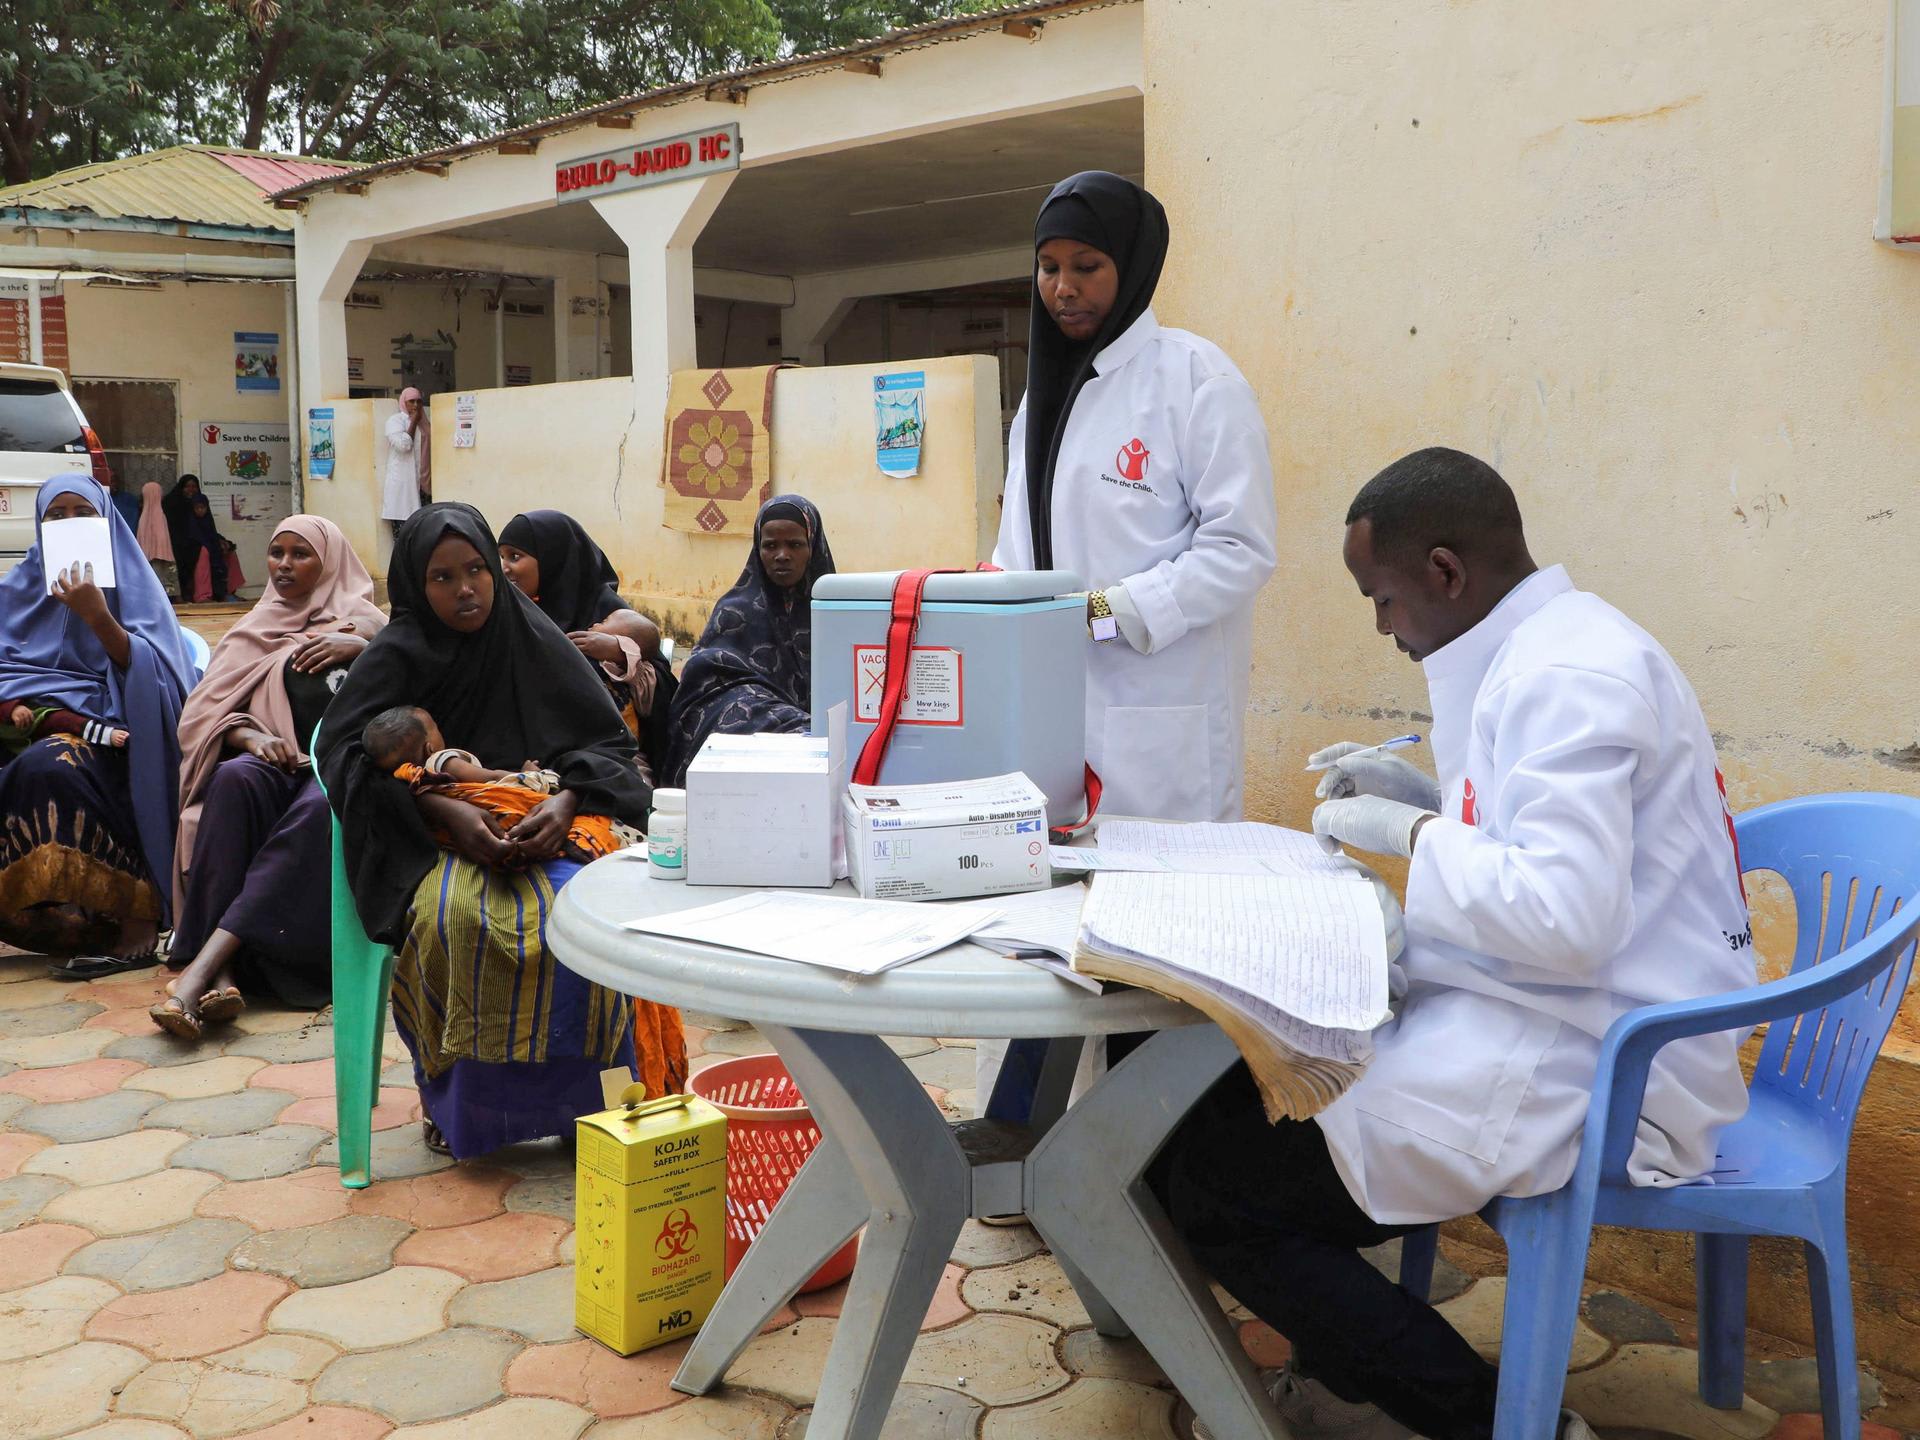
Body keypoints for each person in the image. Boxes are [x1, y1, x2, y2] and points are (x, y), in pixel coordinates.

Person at [1164, 449, 1755, 1440]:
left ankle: (1497, 1422)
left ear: (1445, 571)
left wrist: (1420, 838)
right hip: (1542, 1010)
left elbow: (1564, 918)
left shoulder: (1571, 676)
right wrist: (1430, 805)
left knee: (1217, 1189)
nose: (1383, 627)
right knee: (1205, 1111)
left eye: (1384, 599)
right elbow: (1537, 841)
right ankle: (1347, 1354)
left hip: (1607, 1058)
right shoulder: (1538, 649)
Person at [317, 502, 685, 1158]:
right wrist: (445, 810)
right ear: (414, 586)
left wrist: (566, 802)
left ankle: (590, 1104)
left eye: (477, 570)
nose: (464, 589)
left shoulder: (532, 638)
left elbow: (606, 745)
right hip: (430, 839)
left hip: (551, 821)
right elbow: (345, 756)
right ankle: (468, 1109)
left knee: (591, 921)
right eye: (441, 577)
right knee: (458, 922)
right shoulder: (397, 653)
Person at [992, 171, 1278, 824]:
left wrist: (1116, 610)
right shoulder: (1040, 404)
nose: (1063, 289)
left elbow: (1242, 548)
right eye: (1048, 268)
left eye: (1087, 267)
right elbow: (1014, 551)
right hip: (1053, 712)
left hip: (1161, 723)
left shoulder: (1198, 381)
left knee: (1172, 909)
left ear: (1134, 264)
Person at [157, 517, 385, 1039]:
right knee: (234, 780)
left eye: (300, 554)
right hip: (278, 760)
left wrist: (363, 648)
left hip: (338, 766)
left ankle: (201, 971)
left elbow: (399, 685)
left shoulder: (367, 624)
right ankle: (225, 976)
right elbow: (201, 714)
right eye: (277, 553)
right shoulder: (253, 625)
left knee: (314, 810)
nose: (284, 565)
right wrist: (250, 738)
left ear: (328, 562)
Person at [0, 474, 197, 979]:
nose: (69, 524)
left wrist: (97, 617)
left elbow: (161, 678)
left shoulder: (133, 582)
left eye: (81, 513)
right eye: (55, 515)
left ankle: (134, 910)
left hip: (113, 726)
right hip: (21, 720)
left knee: (53, 764)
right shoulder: (19, 585)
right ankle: (43, 907)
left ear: (106, 518)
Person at [665, 495, 834, 786]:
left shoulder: (836, 614)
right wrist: (785, 720)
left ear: (813, 547)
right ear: (758, 550)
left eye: (795, 544)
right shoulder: (736, 612)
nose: (782, 555)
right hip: (762, 740)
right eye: (770, 546)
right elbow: (707, 684)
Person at [498, 509, 676, 781]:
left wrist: (618, 650)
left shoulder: (609, 617)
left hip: (612, 762)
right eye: (500, 556)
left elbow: (660, 692)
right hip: (532, 761)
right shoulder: (509, 617)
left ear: (552, 559)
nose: (504, 567)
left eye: (515, 556)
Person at [362, 704, 643, 863]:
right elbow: (491, 781)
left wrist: (569, 799)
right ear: (427, 747)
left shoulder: (412, 777)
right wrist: (526, 776)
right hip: (503, 809)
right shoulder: (442, 760)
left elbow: (609, 748)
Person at [161, 475, 229, 604]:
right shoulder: (173, 502)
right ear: (181, 487)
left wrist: (220, 540)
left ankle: (227, 591)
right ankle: (202, 595)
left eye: (194, 486)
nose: (191, 490)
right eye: (187, 486)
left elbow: (208, 528)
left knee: (227, 550)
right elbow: (177, 529)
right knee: (203, 551)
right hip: (178, 543)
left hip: (195, 540)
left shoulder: (199, 502)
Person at [381, 388, 430, 536]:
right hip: (403, 486)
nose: (415, 405)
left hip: (423, 485)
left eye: (419, 401)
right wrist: (413, 422)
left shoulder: (425, 423)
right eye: (411, 401)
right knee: (404, 534)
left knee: (424, 531)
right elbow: (404, 446)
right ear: (403, 402)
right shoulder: (395, 421)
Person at [135, 480, 177, 595]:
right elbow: (163, 538)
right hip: (161, 557)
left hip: (146, 558)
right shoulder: (160, 515)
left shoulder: (143, 517)